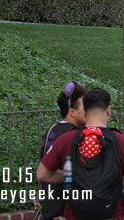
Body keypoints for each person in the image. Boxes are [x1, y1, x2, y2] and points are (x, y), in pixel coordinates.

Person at [37, 89, 124, 220]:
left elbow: (42, 174)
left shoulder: (66, 139)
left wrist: (73, 174)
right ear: (109, 109)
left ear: (85, 111)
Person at [39, 81, 87, 220]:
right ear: (72, 111)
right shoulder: (74, 136)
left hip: (50, 207)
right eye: (85, 106)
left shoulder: (53, 129)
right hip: (65, 210)